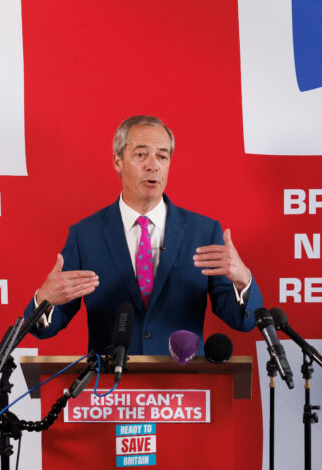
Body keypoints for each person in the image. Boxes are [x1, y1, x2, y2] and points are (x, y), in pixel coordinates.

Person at [23, 115, 263, 355]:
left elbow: (242, 321)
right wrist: (44, 300)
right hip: (110, 386)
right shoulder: (85, 236)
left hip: (183, 384)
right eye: (141, 155)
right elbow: (45, 328)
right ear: (118, 161)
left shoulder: (203, 232)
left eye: (162, 156)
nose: (153, 165)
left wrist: (243, 280)